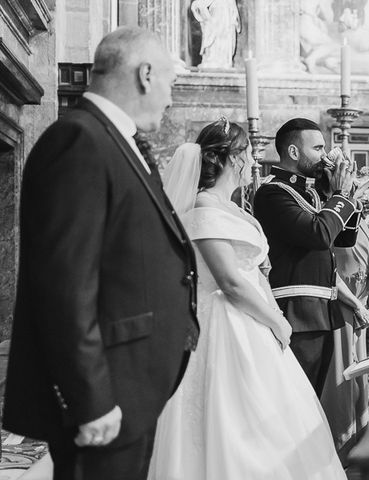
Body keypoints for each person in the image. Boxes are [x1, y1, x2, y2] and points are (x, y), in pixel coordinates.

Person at [3, 27, 199, 480]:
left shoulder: (113, 139)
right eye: (170, 81)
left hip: (131, 384)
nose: (170, 98)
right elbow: (64, 287)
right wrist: (90, 398)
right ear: (145, 75)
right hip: (106, 391)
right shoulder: (79, 141)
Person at [148, 118, 347, 480]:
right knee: (232, 419)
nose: (255, 161)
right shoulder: (203, 208)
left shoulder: (236, 208)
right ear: (231, 159)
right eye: (249, 153)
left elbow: (257, 274)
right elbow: (230, 282)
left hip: (255, 321)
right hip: (225, 324)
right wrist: (278, 321)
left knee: (274, 417)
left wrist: (271, 317)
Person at [254, 118, 361, 398]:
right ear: (293, 152)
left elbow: (344, 240)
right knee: (293, 400)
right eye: (317, 148)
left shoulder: (311, 192)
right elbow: (318, 235)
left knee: (310, 399)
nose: (325, 156)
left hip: (321, 312)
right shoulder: (272, 193)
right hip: (295, 312)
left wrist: (347, 195)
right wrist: (338, 196)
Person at [321, 221, 369, 459]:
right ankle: (341, 444)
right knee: (341, 376)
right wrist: (357, 306)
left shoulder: (362, 224)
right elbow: (327, 270)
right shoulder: (328, 221)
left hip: (362, 311)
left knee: (359, 376)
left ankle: (360, 438)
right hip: (340, 307)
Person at [191, 0, 241, 69]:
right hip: (215, 19)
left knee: (224, 37)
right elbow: (198, 5)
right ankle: (212, 59)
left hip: (226, 20)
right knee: (214, 39)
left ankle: (223, 60)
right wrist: (207, 19)